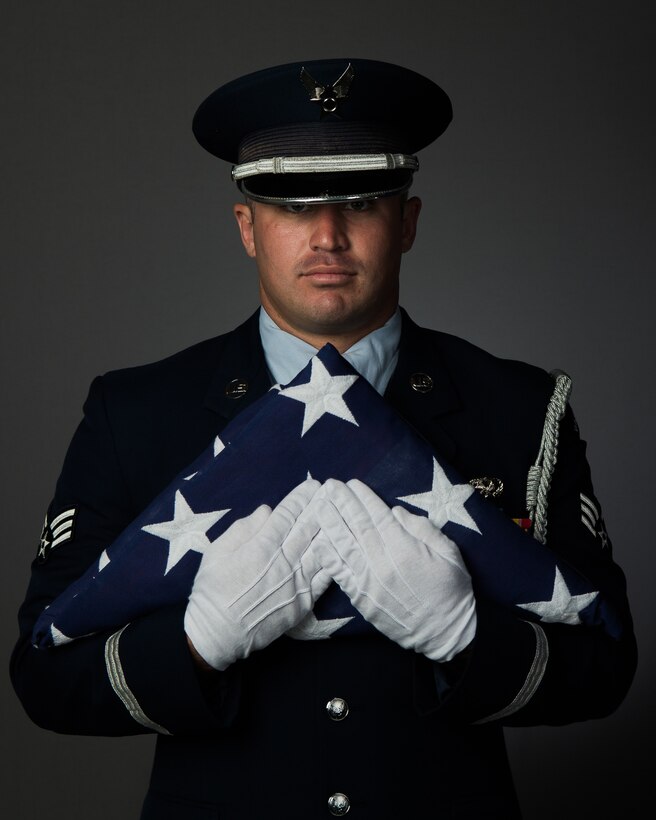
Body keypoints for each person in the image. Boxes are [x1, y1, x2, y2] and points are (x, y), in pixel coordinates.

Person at [10, 57, 637, 819]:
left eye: (364, 201)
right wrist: (197, 641)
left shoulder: (519, 406)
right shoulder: (136, 412)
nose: (329, 235)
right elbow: (45, 675)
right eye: (291, 205)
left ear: (407, 222)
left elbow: (605, 662)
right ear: (247, 227)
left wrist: (467, 637)